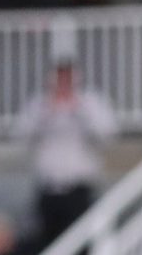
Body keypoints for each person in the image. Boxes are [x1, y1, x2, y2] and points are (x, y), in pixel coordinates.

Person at [18, 62, 118, 242]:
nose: (63, 84)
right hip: (48, 186)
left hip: (79, 187)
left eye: (67, 78)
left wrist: (78, 110)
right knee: (48, 240)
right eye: (59, 78)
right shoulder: (40, 104)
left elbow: (106, 135)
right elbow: (22, 135)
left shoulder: (90, 102)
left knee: (80, 240)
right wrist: (48, 112)